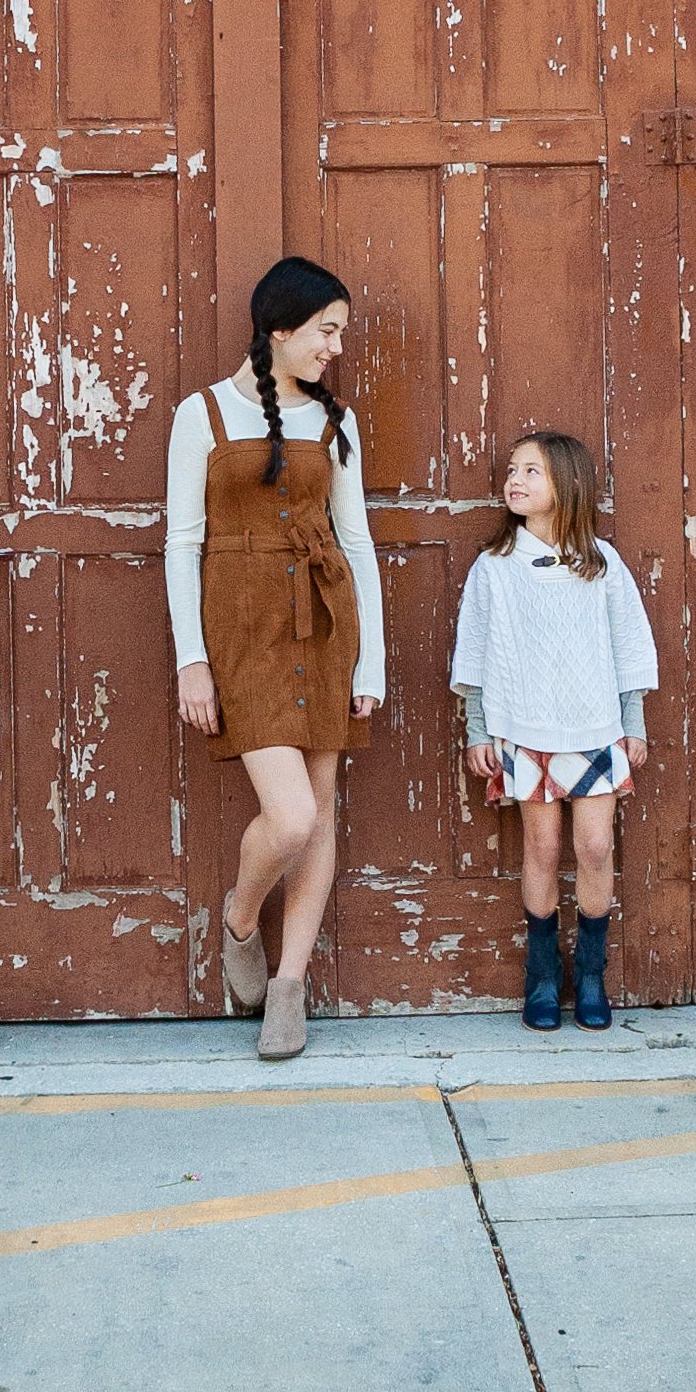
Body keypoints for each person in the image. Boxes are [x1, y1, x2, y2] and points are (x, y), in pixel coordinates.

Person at [163, 257, 385, 1062]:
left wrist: (371, 665)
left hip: (324, 622)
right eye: (326, 330)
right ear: (279, 329)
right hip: (241, 626)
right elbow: (181, 543)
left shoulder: (335, 423)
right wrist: (192, 660)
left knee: (318, 810)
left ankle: (286, 985)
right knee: (288, 816)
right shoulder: (203, 415)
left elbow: (355, 544)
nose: (334, 347)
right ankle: (238, 915)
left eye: (340, 332)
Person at [455, 432, 659, 1032]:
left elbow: (628, 644)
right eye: (512, 470)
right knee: (541, 849)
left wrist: (633, 723)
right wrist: (478, 729)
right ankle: (543, 974)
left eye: (531, 472)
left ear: (566, 486)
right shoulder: (494, 569)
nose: (514, 480)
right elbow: (474, 654)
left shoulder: (600, 562)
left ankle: (591, 971)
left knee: (594, 846)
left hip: (594, 728)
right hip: (524, 728)